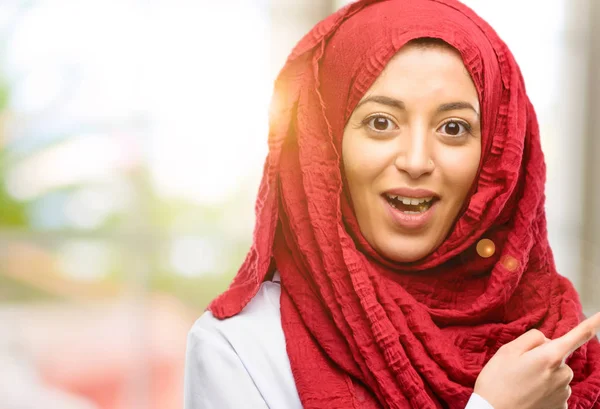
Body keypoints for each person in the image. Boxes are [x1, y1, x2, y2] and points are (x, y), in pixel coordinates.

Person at [184, 0, 600, 408]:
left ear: (496, 157)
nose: (416, 161)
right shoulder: (239, 350)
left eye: (453, 128)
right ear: (325, 147)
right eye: (380, 123)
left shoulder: (557, 343)